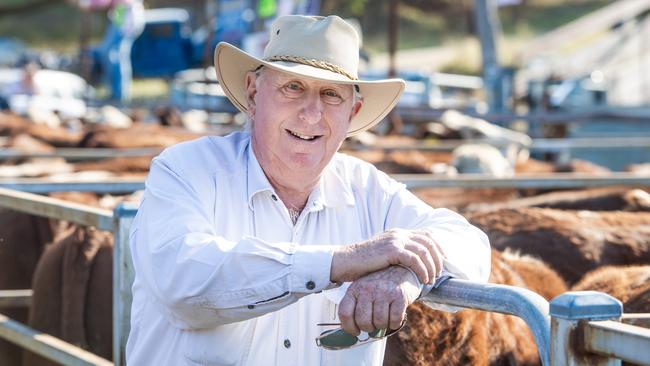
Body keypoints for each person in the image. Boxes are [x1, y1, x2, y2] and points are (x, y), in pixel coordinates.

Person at [126, 15, 490, 366]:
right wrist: (343, 261)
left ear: (353, 112)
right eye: (293, 87)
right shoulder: (185, 170)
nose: (311, 114)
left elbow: (469, 243)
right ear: (254, 93)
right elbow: (184, 282)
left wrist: (405, 273)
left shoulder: (367, 188)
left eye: (331, 94)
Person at [100, 0, 144, 103]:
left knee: (115, 56)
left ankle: (119, 95)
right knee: (112, 55)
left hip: (126, 19)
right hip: (122, 18)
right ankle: (117, 93)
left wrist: (88, 3)